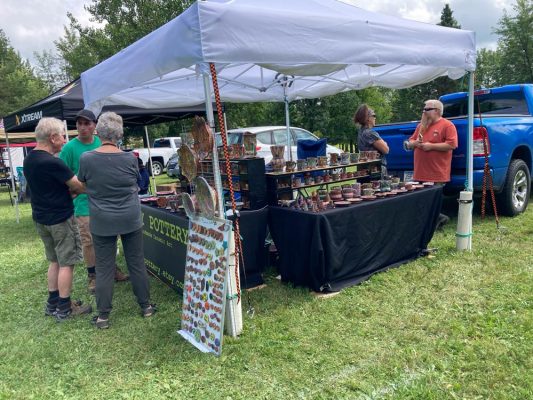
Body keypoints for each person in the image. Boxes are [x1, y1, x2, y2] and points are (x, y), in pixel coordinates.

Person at [78, 112, 155, 329]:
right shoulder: (130, 158)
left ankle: (103, 316)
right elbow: (136, 183)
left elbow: (82, 184)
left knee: (103, 267)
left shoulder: (87, 158)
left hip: (102, 218)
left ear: (98, 131)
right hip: (130, 216)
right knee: (136, 262)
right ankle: (146, 306)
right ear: (119, 133)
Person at [23, 117, 92, 321]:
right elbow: (78, 186)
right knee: (66, 263)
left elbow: (48, 188)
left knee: (54, 260)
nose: (64, 140)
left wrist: (66, 192)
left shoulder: (30, 159)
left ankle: (52, 303)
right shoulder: (53, 162)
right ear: (52, 138)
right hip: (60, 219)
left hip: (41, 218)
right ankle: (65, 307)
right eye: (62, 136)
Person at [60, 109, 128, 293]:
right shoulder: (69, 149)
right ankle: (93, 275)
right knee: (88, 241)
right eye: (79, 123)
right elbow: (62, 176)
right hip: (83, 204)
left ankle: (112, 268)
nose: (82, 127)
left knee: (111, 236)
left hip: (107, 202)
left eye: (87, 123)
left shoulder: (102, 142)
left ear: (94, 125)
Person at [406, 99, 458, 229]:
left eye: (427, 109)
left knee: (432, 201)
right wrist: (414, 143)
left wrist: (431, 146)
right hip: (420, 171)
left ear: (437, 111)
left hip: (436, 172)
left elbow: (452, 144)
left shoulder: (447, 125)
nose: (424, 111)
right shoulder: (421, 126)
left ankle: (433, 223)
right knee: (421, 200)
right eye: (423, 109)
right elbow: (410, 142)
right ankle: (439, 218)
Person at [354, 104, 389, 175]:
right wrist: (385, 143)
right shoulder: (370, 133)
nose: (375, 118)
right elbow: (386, 150)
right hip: (375, 170)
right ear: (368, 118)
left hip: (364, 169)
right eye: (374, 115)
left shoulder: (361, 131)